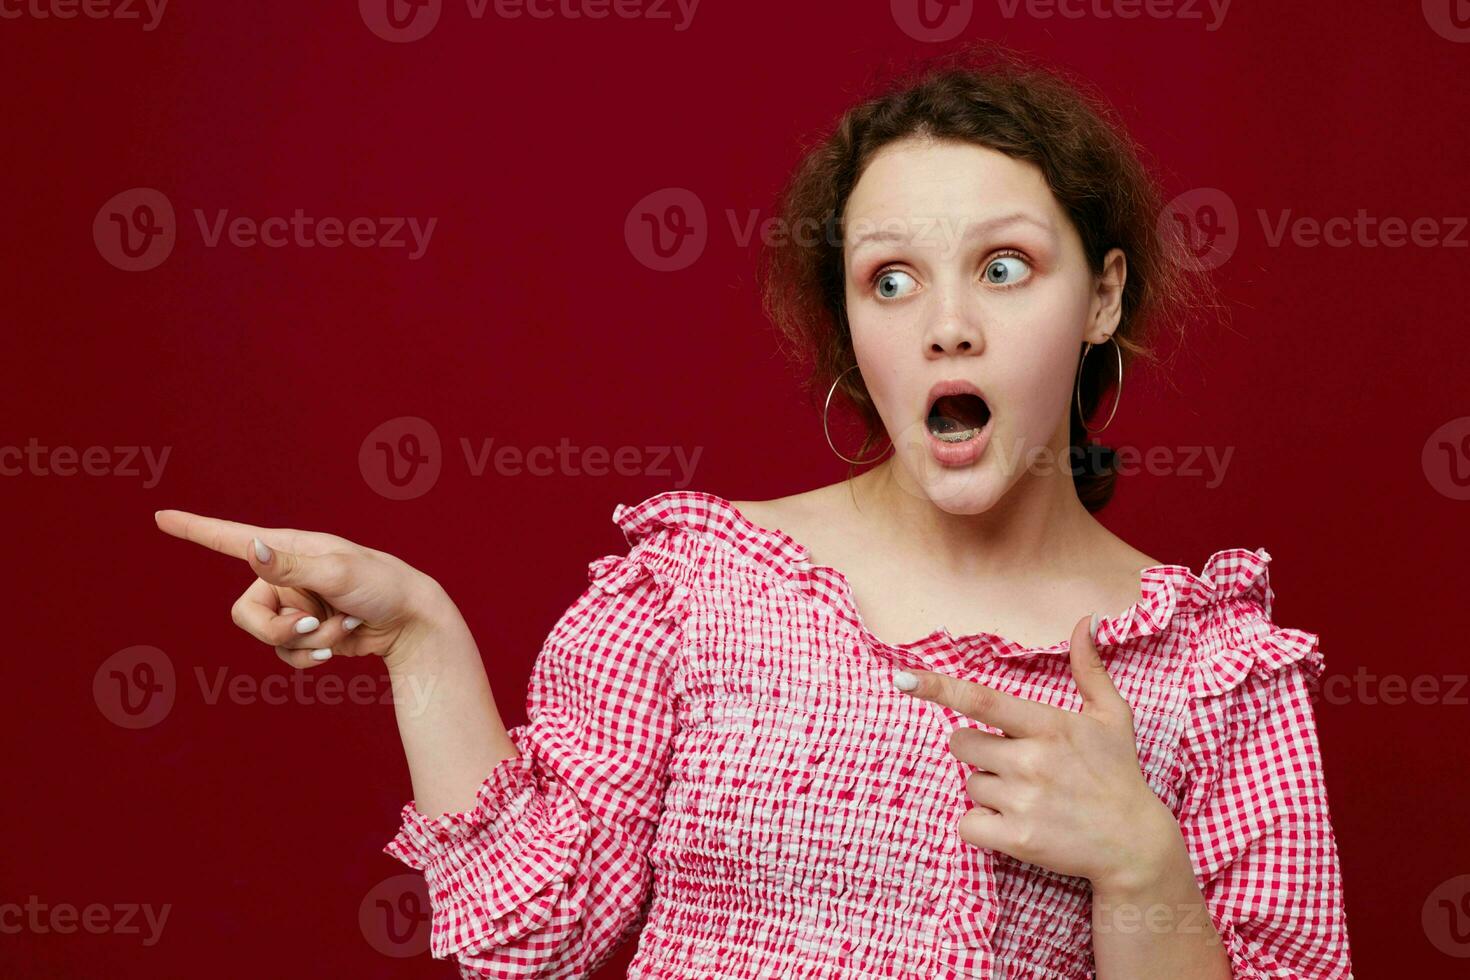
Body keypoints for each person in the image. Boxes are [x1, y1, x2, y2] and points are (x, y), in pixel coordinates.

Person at [156, 43, 1353, 980]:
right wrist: (422, 633)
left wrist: (1143, 868)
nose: (947, 323)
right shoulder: (699, 591)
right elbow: (531, 939)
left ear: (1100, 295)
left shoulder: (1215, 673)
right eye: (892, 277)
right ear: (852, 325)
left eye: (1004, 267)